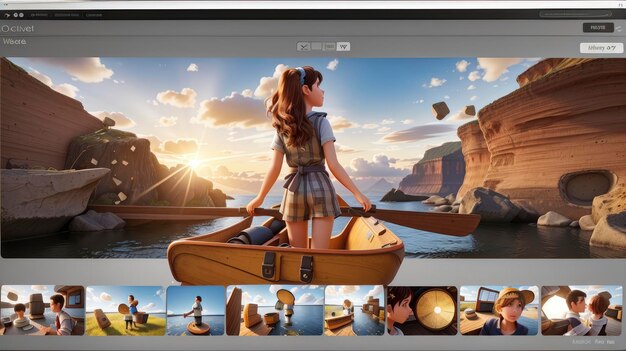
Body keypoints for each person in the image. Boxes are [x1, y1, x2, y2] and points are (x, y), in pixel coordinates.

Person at [246, 66, 371, 249]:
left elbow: (275, 167)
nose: (323, 90)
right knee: (320, 255)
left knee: (299, 254)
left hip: (293, 191)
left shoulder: (283, 126)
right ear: (306, 90)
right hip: (320, 188)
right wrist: (357, 193)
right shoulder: (322, 122)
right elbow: (333, 164)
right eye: (318, 85)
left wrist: (260, 198)